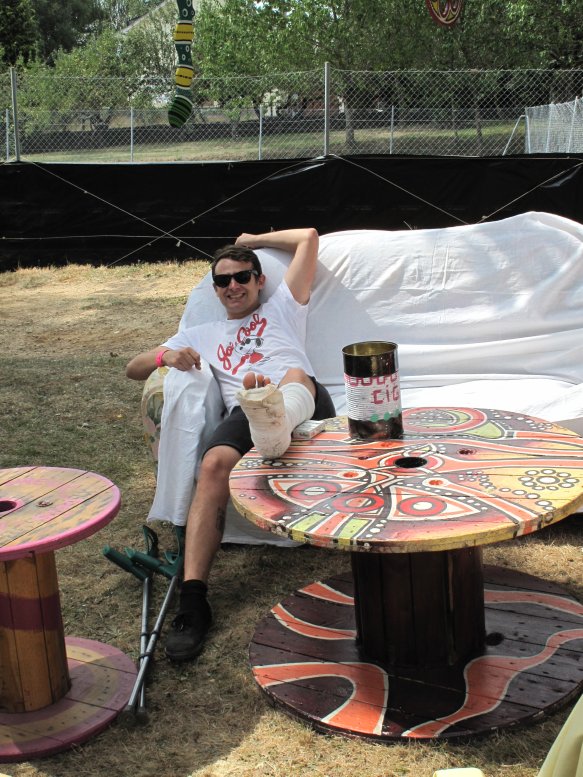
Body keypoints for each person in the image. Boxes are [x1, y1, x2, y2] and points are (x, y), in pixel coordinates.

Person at [126, 228, 336, 662]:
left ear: (260, 281)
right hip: (247, 409)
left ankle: (275, 422)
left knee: (293, 376)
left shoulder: (284, 307)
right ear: (215, 288)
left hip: (304, 398)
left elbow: (308, 238)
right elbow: (133, 367)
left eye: (242, 277)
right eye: (223, 280)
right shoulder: (201, 333)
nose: (233, 286)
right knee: (214, 462)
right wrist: (168, 356)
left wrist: (255, 238)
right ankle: (193, 602)